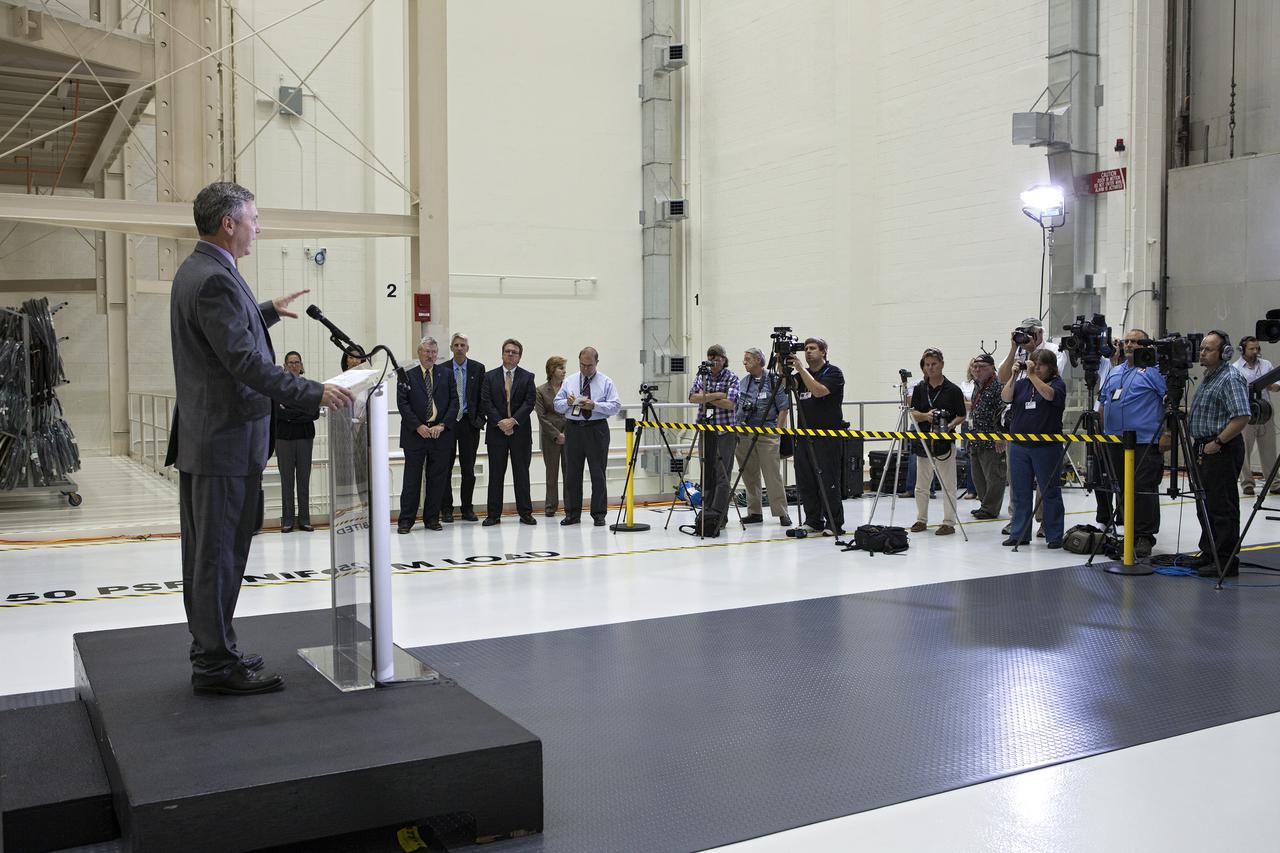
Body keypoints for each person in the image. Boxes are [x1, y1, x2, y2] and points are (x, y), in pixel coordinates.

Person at [167, 181, 354, 696]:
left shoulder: (203, 270)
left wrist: (266, 308)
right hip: (224, 441)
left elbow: (222, 336)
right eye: (254, 218)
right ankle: (214, 663)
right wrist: (314, 392)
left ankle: (215, 649)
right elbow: (245, 363)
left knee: (215, 552)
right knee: (218, 556)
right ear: (229, 223)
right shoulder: (215, 280)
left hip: (214, 440)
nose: (258, 227)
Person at [1096, 329, 1168, 558]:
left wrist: (1167, 433)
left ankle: (1144, 536)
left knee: (1143, 487)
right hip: (1116, 440)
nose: (1129, 345)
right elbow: (1105, 402)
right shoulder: (1115, 372)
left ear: (1145, 345)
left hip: (1144, 441)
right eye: (1127, 341)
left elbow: (1169, 403)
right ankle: (1129, 533)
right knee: (1123, 488)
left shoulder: (1154, 372)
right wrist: (1103, 434)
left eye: (1135, 341)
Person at [1187, 331, 1251, 577]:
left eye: (1209, 349)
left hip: (1220, 448)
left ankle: (1225, 560)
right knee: (1206, 504)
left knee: (1221, 506)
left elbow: (1242, 417)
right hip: (1205, 447)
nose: (1202, 352)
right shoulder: (1210, 377)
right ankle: (1209, 551)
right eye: (1202, 348)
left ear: (1224, 353)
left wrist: (1218, 441)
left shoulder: (1230, 378)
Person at [997, 317, 1063, 537]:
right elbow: (1005, 395)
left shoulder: (1055, 377)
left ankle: (1052, 532)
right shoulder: (1023, 380)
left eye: (1041, 364)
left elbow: (1049, 394)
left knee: (1049, 491)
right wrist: (1016, 372)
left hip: (1045, 445)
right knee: (1020, 493)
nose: (1036, 366)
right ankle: (1019, 532)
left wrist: (1032, 372)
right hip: (1019, 444)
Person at [554, 346, 622, 526]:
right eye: (582, 365)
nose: (585, 369)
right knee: (572, 473)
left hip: (596, 429)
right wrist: (567, 403)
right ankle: (572, 514)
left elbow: (615, 406)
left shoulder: (606, 382)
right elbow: (557, 405)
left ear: (596, 363)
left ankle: (599, 514)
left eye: (589, 366)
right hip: (574, 428)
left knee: (598, 473)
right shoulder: (570, 381)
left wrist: (596, 406)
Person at [396, 337, 458, 534]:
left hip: (440, 434)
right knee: (412, 480)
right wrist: (417, 426)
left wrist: (442, 425)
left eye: (433, 352)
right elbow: (403, 404)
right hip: (415, 435)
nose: (430, 356)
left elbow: (454, 402)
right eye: (426, 352)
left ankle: (432, 518)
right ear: (419, 353)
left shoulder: (446, 374)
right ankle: (406, 520)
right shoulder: (407, 375)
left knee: (437, 479)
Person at [787, 337, 845, 534]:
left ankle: (834, 523)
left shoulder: (833, 373)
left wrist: (801, 369)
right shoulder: (801, 376)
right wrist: (783, 364)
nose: (808, 351)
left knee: (828, 479)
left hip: (827, 435)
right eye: (806, 349)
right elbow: (785, 383)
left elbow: (819, 391)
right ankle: (813, 519)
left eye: (813, 348)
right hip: (804, 435)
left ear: (823, 351)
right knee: (806, 479)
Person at [907, 348, 966, 536]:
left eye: (934, 364)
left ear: (941, 364)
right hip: (923, 441)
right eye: (927, 365)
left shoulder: (953, 390)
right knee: (921, 485)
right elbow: (913, 413)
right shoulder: (919, 388)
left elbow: (961, 415)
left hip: (944, 442)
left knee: (948, 483)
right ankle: (921, 519)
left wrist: (948, 426)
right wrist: (926, 416)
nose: (930, 368)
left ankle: (948, 522)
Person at [480, 338, 537, 526]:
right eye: (507, 351)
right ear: (502, 354)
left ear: (520, 357)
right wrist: (501, 423)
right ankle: (493, 515)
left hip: (520, 433)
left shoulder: (528, 377)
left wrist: (513, 421)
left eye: (514, 352)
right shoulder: (489, 377)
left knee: (521, 474)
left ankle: (525, 513)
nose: (510, 354)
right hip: (497, 433)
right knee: (496, 475)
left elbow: (529, 403)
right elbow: (486, 402)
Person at [733, 348, 792, 527]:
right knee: (749, 474)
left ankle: (782, 512)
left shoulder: (774, 381)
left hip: (767, 433)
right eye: (744, 359)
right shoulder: (744, 382)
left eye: (748, 359)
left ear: (759, 360)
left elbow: (784, 408)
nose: (744, 362)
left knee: (772, 474)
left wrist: (778, 432)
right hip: (744, 433)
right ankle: (754, 512)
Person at [688, 344, 740, 531]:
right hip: (705, 430)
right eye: (711, 359)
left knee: (722, 474)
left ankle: (719, 514)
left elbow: (730, 404)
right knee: (706, 472)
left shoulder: (732, 377)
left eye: (717, 359)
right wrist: (717, 394)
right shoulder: (703, 375)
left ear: (724, 360)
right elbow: (692, 397)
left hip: (725, 431)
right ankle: (707, 512)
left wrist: (706, 396)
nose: (713, 362)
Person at [442, 332, 486, 523]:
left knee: (468, 469)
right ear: (451, 348)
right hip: (449, 424)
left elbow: (483, 395)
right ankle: (447, 509)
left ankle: (467, 508)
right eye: (456, 345)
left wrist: (480, 420)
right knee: (445, 468)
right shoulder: (442, 369)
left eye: (463, 345)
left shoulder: (478, 368)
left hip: (469, 423)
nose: (459, 348)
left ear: (468, 348)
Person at [276, 351, 319, 533]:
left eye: (297, 362)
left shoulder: (309, 387)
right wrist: (300, 411)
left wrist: (291, 413)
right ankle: (287, 520)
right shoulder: (278, 388)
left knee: (303, 479)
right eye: (290, 362)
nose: (294, 365)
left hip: (304, 437)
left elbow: (313, 413)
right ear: (285, 366)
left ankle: (304, 519)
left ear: (301, 366)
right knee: (286, 480)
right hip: (283, 439)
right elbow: (278, 413)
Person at [1233, 336, 1280, 496]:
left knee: (1269, 449)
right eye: (1252, 349)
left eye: (1257, 348)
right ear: (1242, 350)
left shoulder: (1266, 364)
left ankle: (1274, 483)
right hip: (1246, 412)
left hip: (1265, 411)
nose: (1255, 351)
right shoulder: (1235, 368)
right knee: (1244, 449)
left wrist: (1274, 386)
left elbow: (1277, 384)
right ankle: (1247, 483)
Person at [967, 353, 1007, 521]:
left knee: (994, 475)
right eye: (975, 367)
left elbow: (1004, 412)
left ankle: (991, 508)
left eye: (982, 367)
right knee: (978, 476)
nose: (977, 370)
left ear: (992, 369)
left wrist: (1001, 436)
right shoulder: (978, 385)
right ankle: (985, 505)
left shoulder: (998, 386)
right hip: (976, 437)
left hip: (992, 439)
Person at [535, 356, 569, 517]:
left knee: (569, 472)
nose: (564, 371)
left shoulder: (569, 389)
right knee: (552, 473)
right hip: (550, 436)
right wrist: (556, 434)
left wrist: (566, 434)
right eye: (561, 368)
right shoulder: (541, 390)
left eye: (564, 368)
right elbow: (541, 417)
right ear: (552, 370)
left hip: (569, 434)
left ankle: (570, 506)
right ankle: (550, 507)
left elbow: (574, 411)